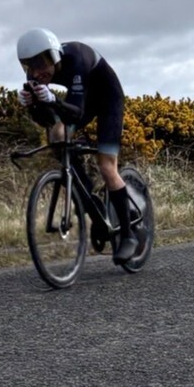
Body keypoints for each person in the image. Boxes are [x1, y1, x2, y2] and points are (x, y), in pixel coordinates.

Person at [15, 27, 139, 263]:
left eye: (42, 64)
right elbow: (46, 120)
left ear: (54, 57)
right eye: (30, 66)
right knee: (57, 135)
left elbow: (76, 112)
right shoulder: (36, 76)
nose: (37, 72)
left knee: (106, 166)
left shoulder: (76, 59)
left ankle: (128, 235)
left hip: (108, 100)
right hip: (79, 102)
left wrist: (51, 99)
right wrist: (31, 104)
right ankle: (90, 199)